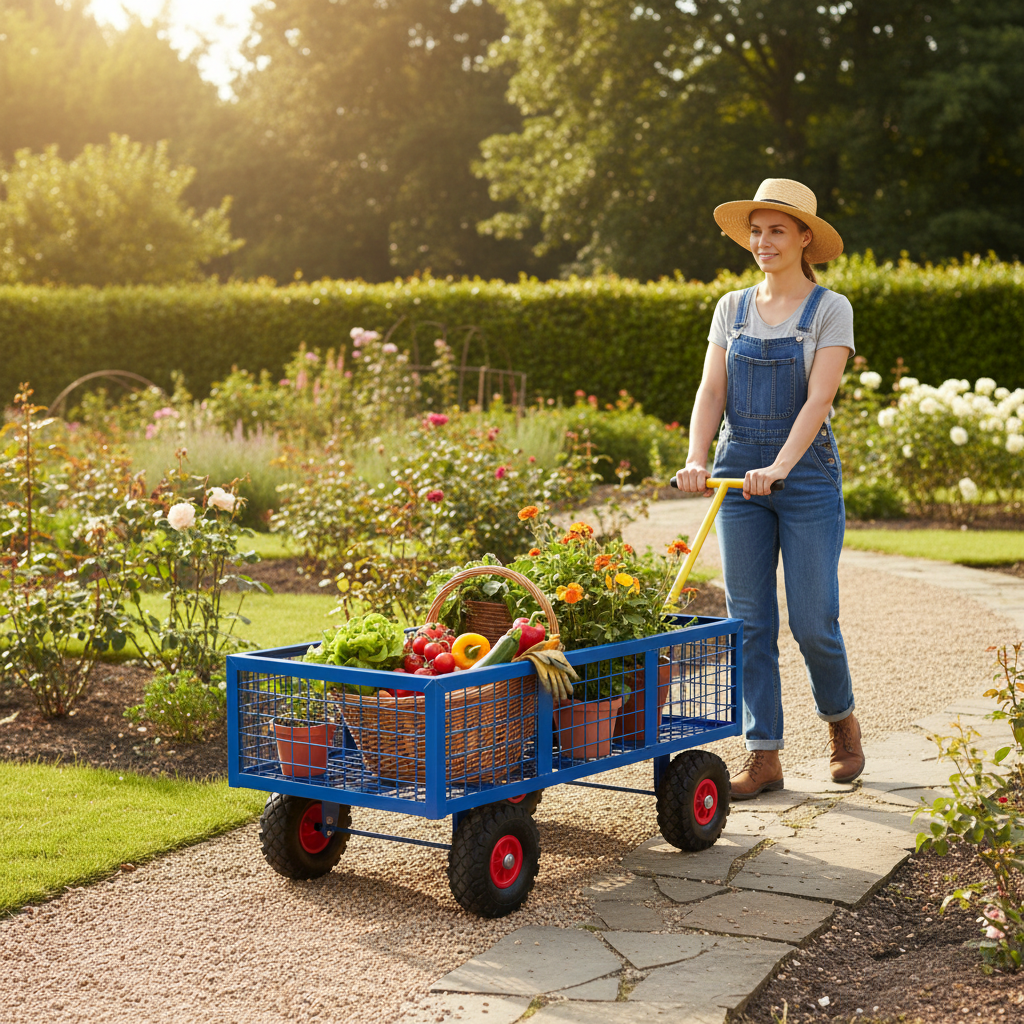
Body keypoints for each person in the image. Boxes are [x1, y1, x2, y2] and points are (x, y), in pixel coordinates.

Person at [674, 178, 864, 799]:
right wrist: (698, 455)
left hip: (805, 477)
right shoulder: (730, 307)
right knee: (748, 622)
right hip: (739, 475)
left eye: (777, 230)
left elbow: (820, 397)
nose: (763, 241)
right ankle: (764, 756)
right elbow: (712, 391)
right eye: (756, 231)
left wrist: (781, 463)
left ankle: (840, 722)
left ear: (805, 238)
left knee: (813, 621)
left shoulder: (830, 309)